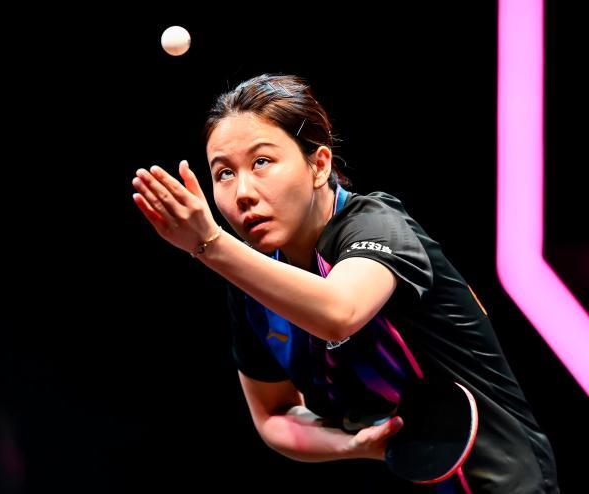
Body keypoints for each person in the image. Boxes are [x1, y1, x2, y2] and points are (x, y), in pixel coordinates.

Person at [131, 74, 559, 493]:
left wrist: (211, 245)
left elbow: (339, 313)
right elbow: (273, 414)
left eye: (261, 162)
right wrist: (351, 446)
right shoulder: (250, 279)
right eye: (224, 173)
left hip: (500, 479)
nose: (242, 192)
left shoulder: (376, 225)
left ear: (319, 165)